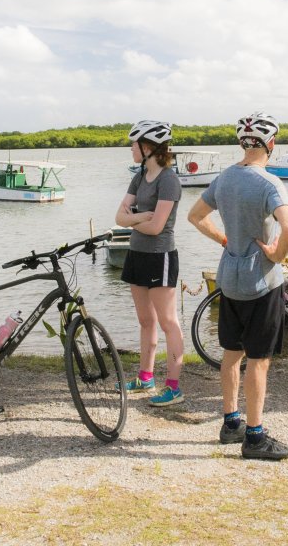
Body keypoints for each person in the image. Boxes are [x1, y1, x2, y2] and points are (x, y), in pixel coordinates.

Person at [187, 112, 288, 460]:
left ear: (242, 143)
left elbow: (195, 216)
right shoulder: (269, 183)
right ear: (271, 144)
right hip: (261, 282)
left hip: (230, 280)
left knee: (232, 353)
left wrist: (224, 239)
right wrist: (278, 254)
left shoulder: (225, 179)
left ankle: (230, 422)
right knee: (259, 360)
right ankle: (254, 437)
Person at [115, 120, 186, 407]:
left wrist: (137, 218)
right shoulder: (140, 175)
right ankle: (146, 376)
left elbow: (157, 228)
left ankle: (173, 387)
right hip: (136, 254)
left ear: (147, 147)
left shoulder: (168, 180)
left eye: (134, 144)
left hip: (160, 257)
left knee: (168, 322)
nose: (131, 148)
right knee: (146, 320)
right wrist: (139, 218)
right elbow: (119, 218)